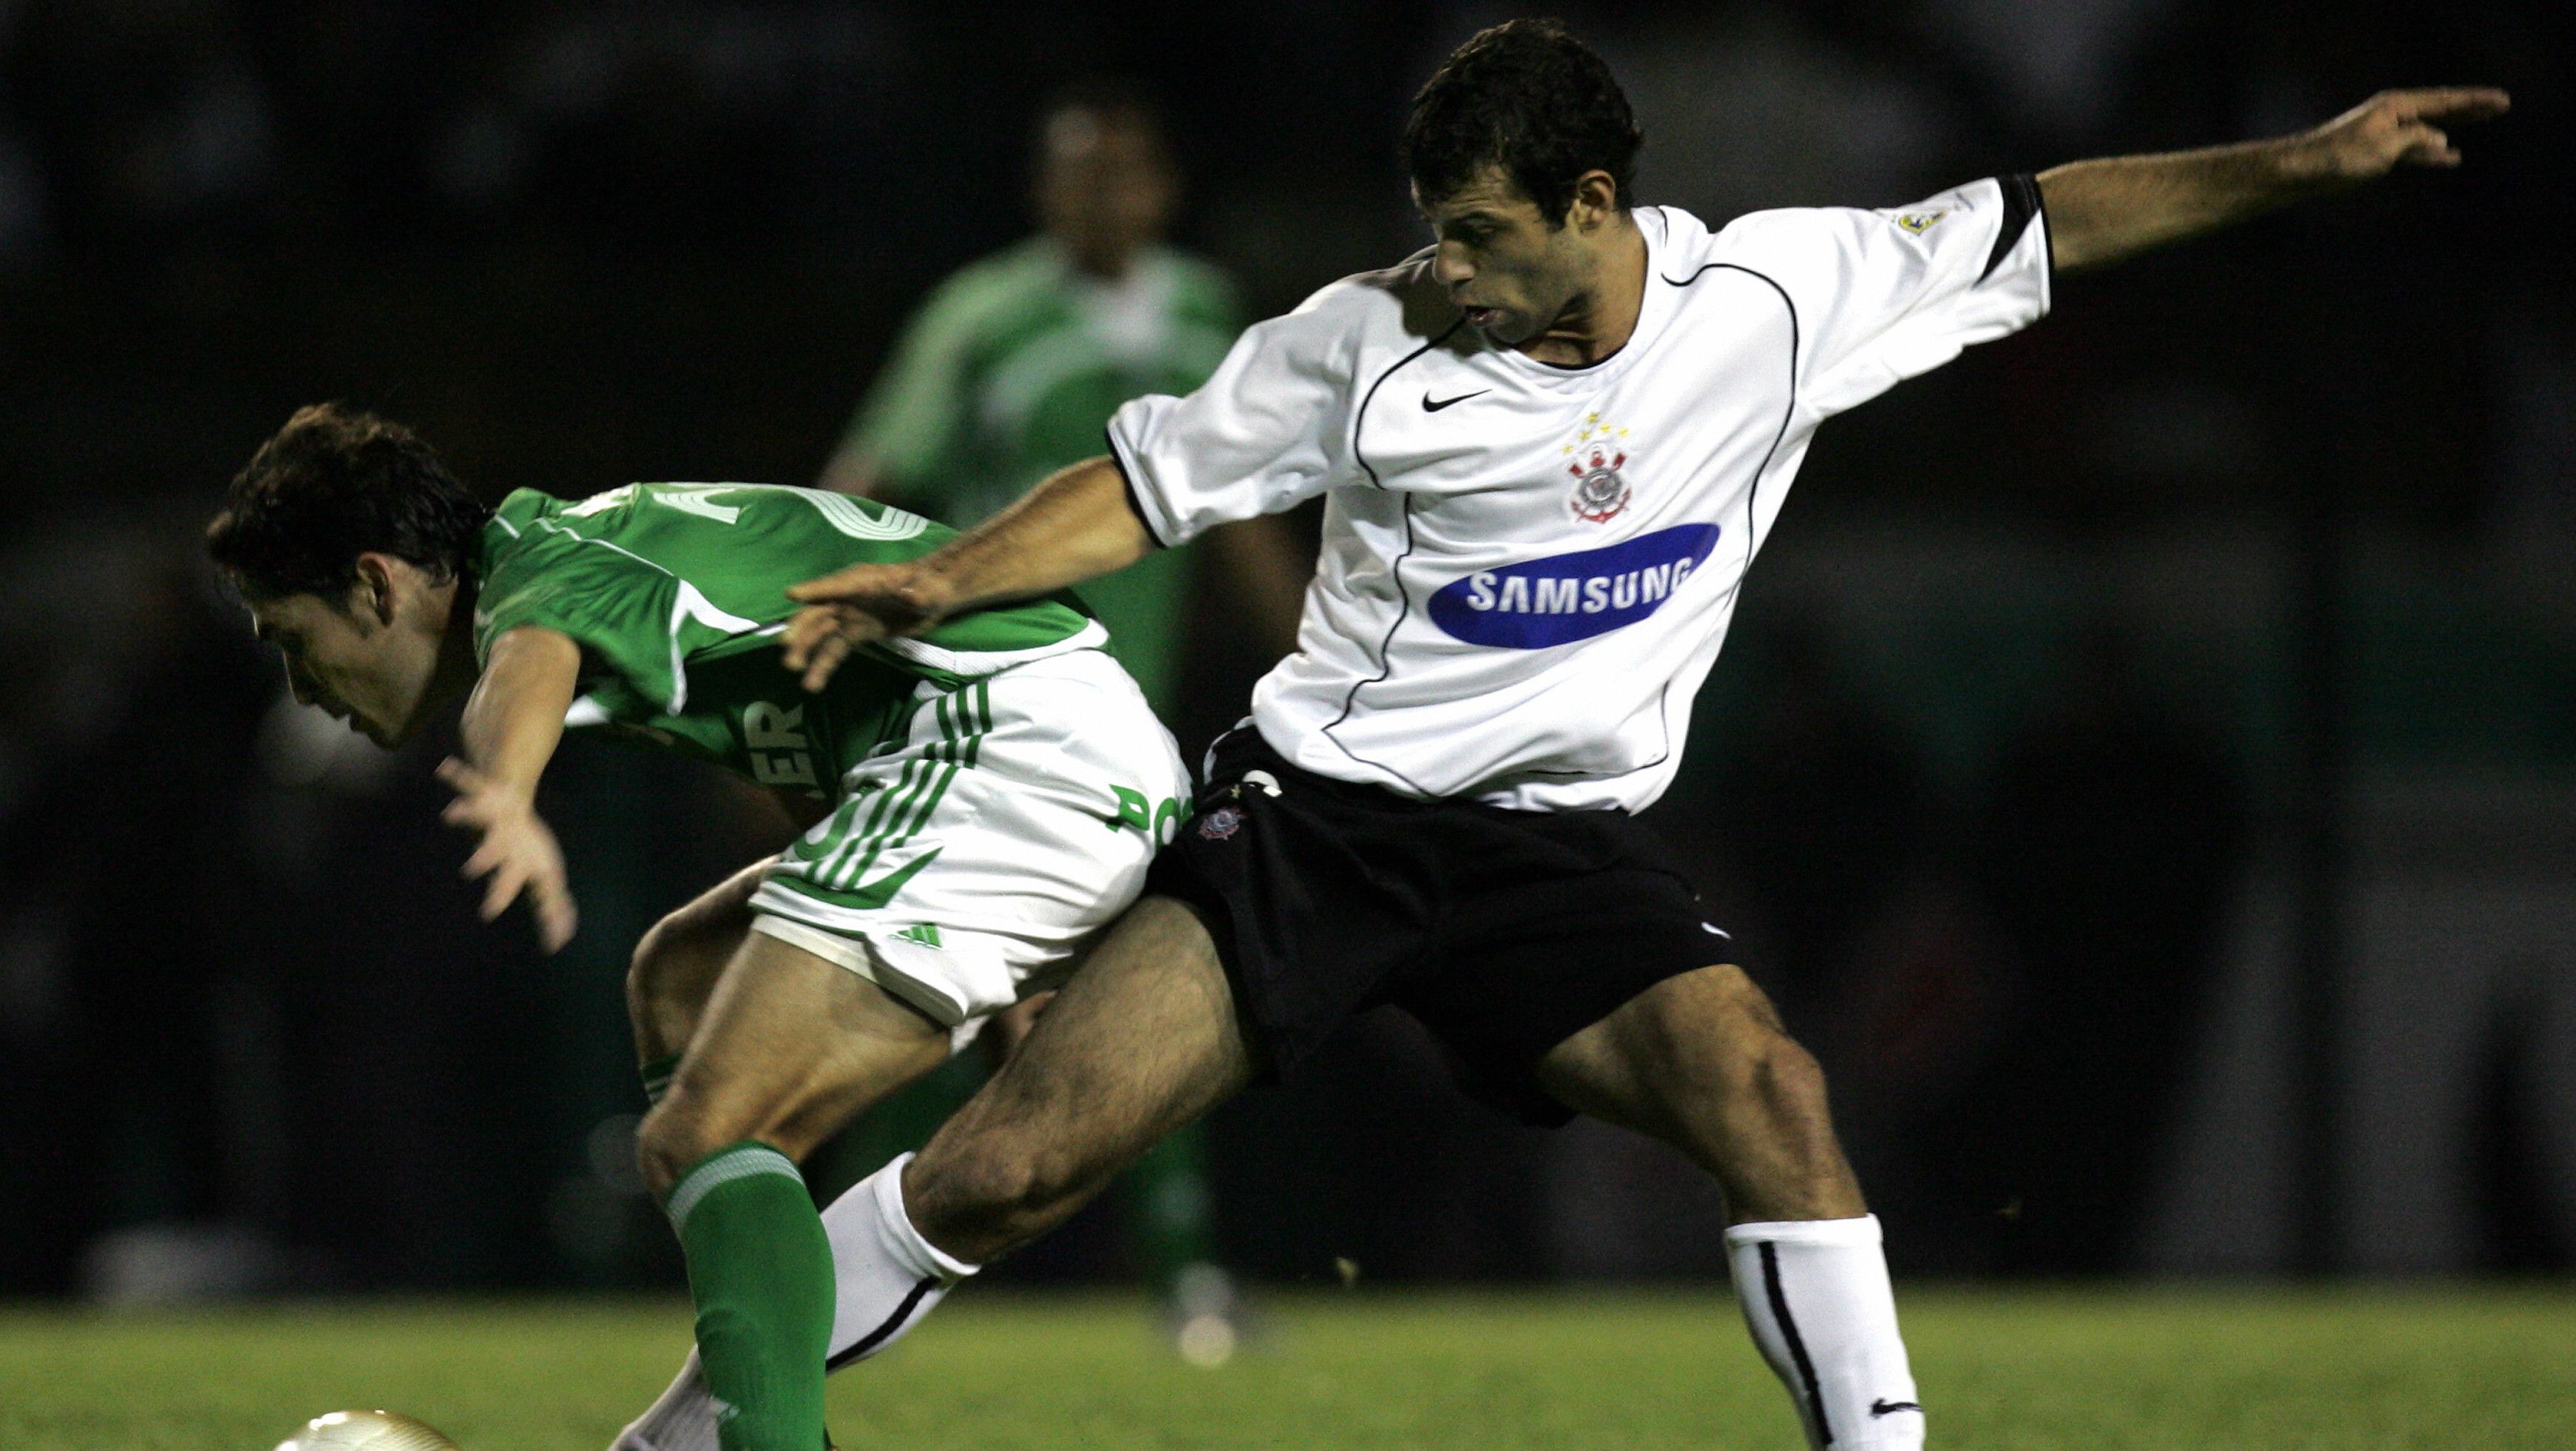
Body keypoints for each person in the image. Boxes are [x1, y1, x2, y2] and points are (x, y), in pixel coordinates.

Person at [703, 20, 2500, 1451]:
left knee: (1772, 1095)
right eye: (1432, 230)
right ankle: (679, 1442)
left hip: (1557, 855)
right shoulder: (1359, 344)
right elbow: (1140, 484)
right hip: (1319, 826)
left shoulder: (1779, 302)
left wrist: (2309, 160)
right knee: (1006, 1167)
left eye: (1480, 235)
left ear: (1587, 200)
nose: (1449, 270)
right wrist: (938, 580)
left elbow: (2048, 219)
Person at [202, 404, 1190, 1451]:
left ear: (373, 584)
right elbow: (832, 709)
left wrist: (504, 790)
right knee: (681, 979)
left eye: (290, 641)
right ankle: (700, 1438)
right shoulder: (592, 542)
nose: (302, 689)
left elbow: (534, 654)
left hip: (1007, 746)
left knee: (703, 1128)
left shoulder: (540, 578)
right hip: (1019, 739)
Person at [814, 81, 1296, 1338]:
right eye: (1077, 172)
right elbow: (871, 478)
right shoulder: (982, 313)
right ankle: (850, 1250)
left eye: (1123, 170)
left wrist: (1312, 653)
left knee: (1072, 988)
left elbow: (1235, 503)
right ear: (1043, 191)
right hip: (992, 704)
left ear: (1163, 187)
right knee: (1005, 994)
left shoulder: (1201, 310)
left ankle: (846, 1258)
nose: (1102, 195)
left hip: (1128, 714)